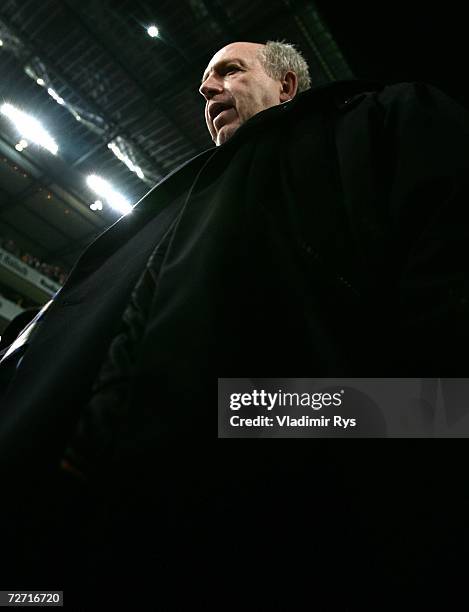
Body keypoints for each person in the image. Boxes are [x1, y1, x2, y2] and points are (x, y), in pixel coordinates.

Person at [1, 40, 469, 608]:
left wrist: (247, 412)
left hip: (270, 556)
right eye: (205, 79)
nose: (205, 89)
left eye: (229, 70)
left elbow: (444, 405)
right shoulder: (169, 209)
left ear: (287, 86)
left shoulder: (387, 124)